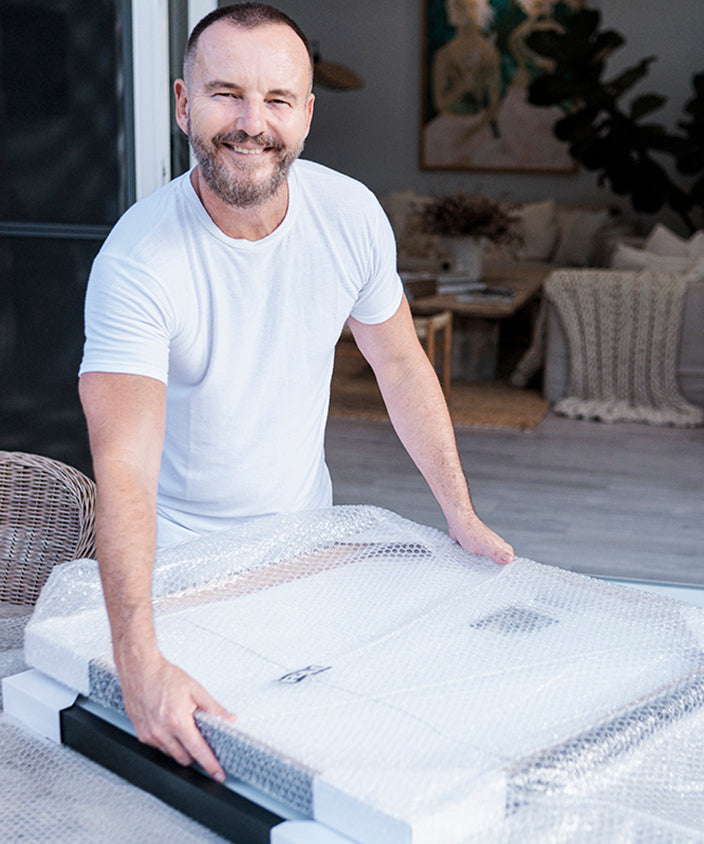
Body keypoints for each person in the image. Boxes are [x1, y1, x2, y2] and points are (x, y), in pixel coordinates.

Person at [78, 3, 515, 784]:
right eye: (225, 94)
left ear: (306, 115)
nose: (253, 123)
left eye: (277, 99)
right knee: (215, 775)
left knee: (344, 751)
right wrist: (139, 659)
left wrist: (460, 512)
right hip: (181, 570)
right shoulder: (138, 263)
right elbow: (125, 468)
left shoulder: (349, 216)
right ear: (183, 103)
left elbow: (400, 363)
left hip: (305, 550)